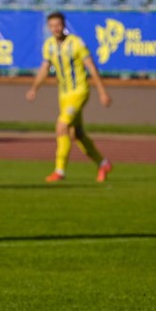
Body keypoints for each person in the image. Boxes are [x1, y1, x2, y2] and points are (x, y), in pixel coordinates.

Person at [26, 12, 113, 183]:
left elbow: (92, 67)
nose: (55, 29)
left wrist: (102, 92)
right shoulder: (49, 45)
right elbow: (44, 69)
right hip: (63, 94)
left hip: (79, 92)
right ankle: (103, 163)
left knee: (61, 126)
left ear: (64, 25)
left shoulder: (76, 43)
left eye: (58, 25)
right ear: (48, 27)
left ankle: (59, 170)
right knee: (77, 134)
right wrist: (34, 88)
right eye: (52, 26)